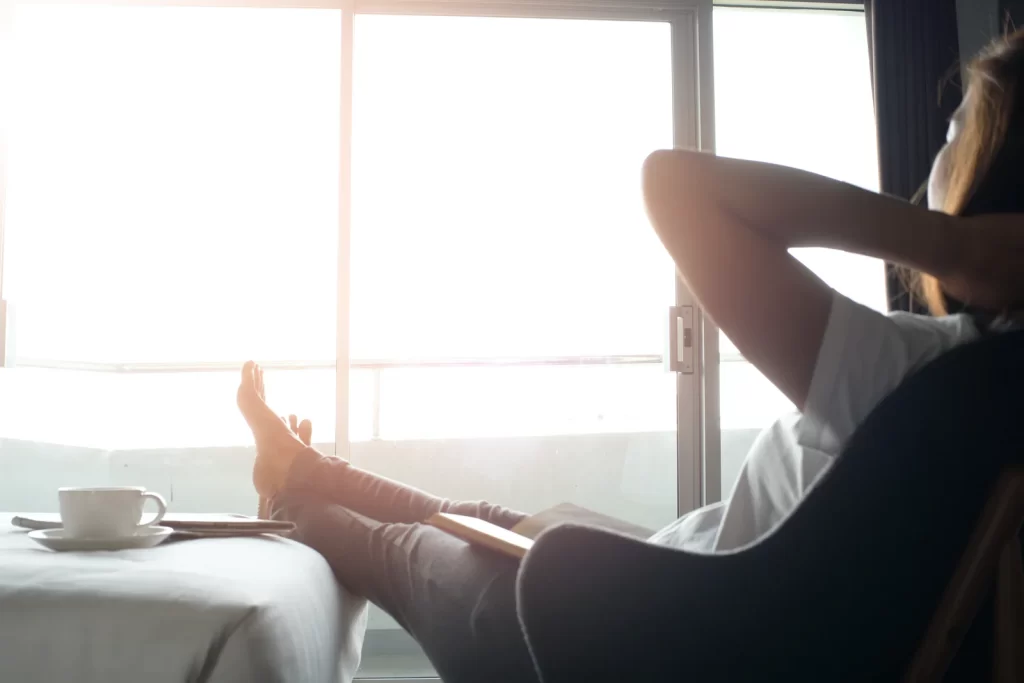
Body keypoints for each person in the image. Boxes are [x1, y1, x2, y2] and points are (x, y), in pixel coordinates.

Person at [235, 30, 1024, 683]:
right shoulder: (960, 383)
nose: (929, 174)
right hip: (674, 586)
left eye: (955, 134)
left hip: (625, 634)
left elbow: (675, 186)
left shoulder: (925, 377)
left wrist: (945, 244)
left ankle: (290, 498)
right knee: (475, 518)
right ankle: (307, 468)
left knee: (404, 550)